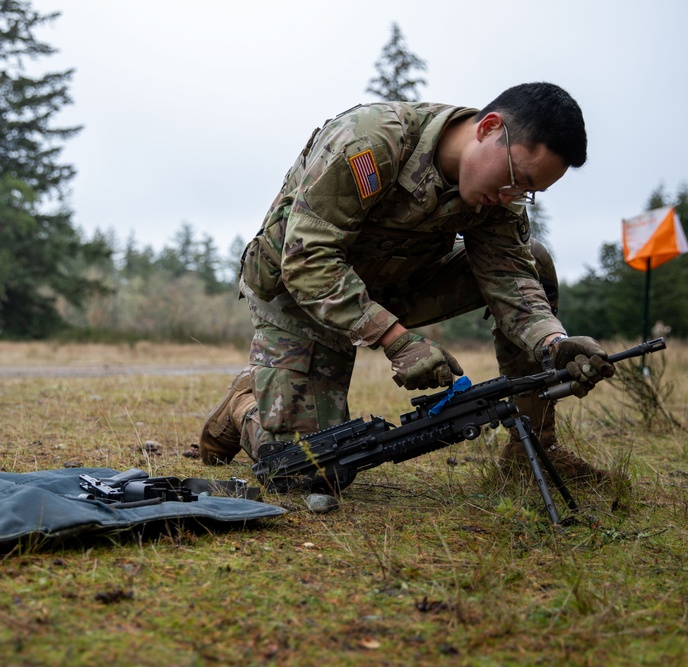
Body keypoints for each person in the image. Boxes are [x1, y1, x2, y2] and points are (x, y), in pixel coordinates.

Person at [198, 82, 616, 488]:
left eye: (529, 191)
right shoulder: (369, 143)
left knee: (535, 262)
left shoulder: (499, 199)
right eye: (515, 177)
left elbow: (511, 278)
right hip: (298, 294)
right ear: (489, 128)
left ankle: (532, 452)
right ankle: (243, 402)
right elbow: (308, 260)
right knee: (309, 469)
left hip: (394, 286)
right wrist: (398, 340)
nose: (512, 196)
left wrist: (552, 343)